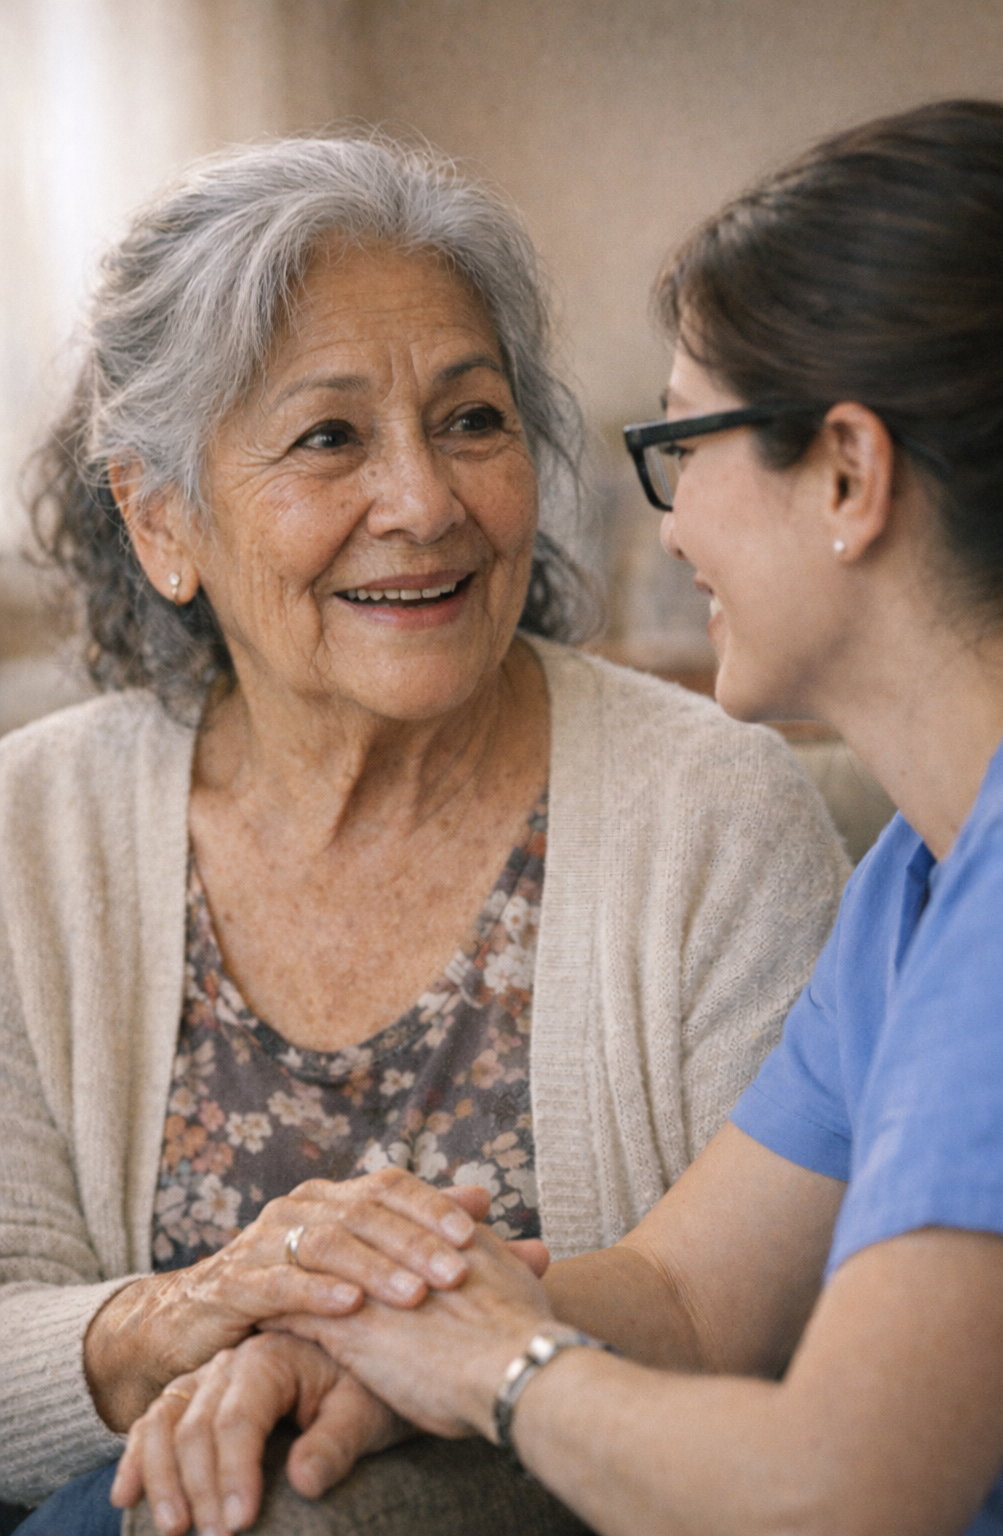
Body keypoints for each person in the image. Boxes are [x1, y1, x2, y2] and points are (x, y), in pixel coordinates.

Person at [154, 100, 1003, 1536]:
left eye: (684, 444)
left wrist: (501, 1365)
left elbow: (838, 1491)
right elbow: (686, 1294)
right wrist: (364, 1333)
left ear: (852, 477)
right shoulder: (921, 886)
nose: (669, 530)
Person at [0, 135, 848, 1533]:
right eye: (331, 438)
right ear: (163, 520)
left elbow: (793, 1333)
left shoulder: (716, 811)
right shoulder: (31, 841)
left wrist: (344, 1350)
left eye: (471, 420)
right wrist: (183, 1322)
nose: (428, 502)